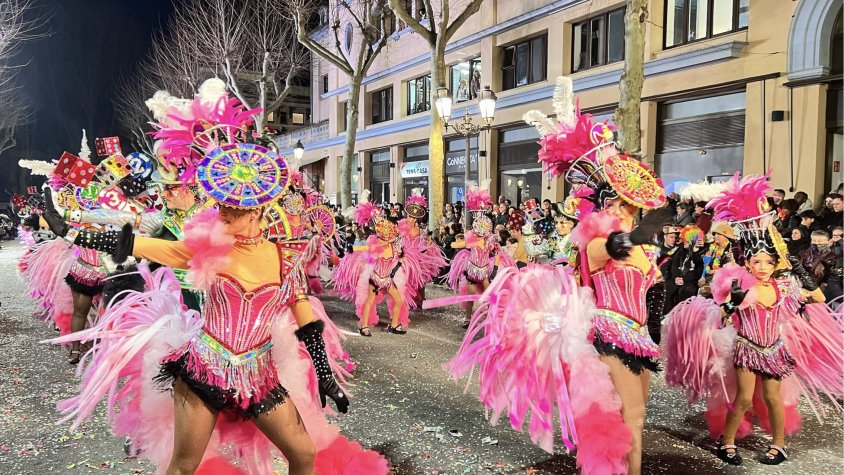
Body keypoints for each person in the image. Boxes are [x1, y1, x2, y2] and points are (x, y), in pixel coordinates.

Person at [664, 172, 843, 468]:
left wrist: (798, 268)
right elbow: (721, 319)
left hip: (774, 349)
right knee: (744, 400)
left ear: (776, 265)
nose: (761, 267)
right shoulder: (742, 287)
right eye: (756, 262)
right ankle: (727, 441)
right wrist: (732, 302)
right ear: (747, 262)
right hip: (747, 348)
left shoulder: (782, 286)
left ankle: (779, 445)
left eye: (767, 262)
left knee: (774, 399)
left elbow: (820, 299)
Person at [333, 191, 417, 336]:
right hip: (376, 279)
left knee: (398, 300)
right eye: (385, 235)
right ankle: (364, 326)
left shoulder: (394, 246)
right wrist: (352, 248)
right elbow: (364, 247)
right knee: (370, 302)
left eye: (389, 235)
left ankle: (394, 325)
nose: (388, 237)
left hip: (388, 280)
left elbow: (401, 245)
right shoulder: (376, 246)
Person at [444, 181, 515, 328]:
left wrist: (495, 269)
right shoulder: (473, 239)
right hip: (472, 270)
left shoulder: (490, 240)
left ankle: (491, 315)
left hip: (484, 270)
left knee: (490, 293)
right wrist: (451, 243)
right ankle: (468, 318)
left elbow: (496, 254)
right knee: (470, 296)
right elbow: (461, 243)